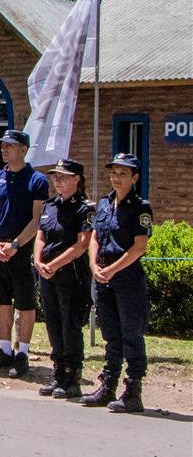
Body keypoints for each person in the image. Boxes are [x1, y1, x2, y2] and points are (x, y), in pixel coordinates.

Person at [81, 153, 153, 413]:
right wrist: (94, 266)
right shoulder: (103, 204)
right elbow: (94, 238)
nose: (117, 177)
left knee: (131, 334)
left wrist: (111, 270)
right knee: (110, 334)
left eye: (123, 173)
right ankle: (107, 386)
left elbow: (139, 248)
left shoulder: (140, 207)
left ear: (134, 177)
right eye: (114, 172)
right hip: (102, 277)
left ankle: (133, 391)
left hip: (127, 279)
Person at [0, 129, 49, 378]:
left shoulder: (37, 180)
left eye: (10, 146)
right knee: (1, 302)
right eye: (3, 146)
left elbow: (36, 220)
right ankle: (4, 350)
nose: (4, 149)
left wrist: (16, 245)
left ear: (23, 149)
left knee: (25, 303)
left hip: (20, 250)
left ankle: (23, 353)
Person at [34, 158, 93, 399]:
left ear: (76, 179)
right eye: (55, 177)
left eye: (63, 176)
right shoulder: (50, 206)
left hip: (71, 275)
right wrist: (39, 262)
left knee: (70, 324)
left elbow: (81, 245)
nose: (57, 181)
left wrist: (54, 264)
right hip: (47, 274)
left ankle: (72, 376)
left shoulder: (84, 208)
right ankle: (58, 370)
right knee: (53, 322)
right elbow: (40, 237)